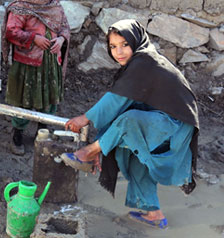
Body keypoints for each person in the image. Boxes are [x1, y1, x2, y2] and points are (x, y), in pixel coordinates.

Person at [62, 19, 199, 230]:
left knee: (129, 121)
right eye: (113, 46)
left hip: (175, 125)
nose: (119, 52)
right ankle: (154, 214)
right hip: (158, 121)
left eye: (125, 44)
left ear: (136, 41)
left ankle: (89, 152)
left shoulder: (144, 61)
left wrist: (85, 118)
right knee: (135, 156)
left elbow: (116, 101)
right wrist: (104, 141)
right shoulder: (138, 65)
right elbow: (122, 104)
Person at [1, 0, 70, 155]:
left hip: (49, 65)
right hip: (26, 66)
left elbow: (64, 27)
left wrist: (61, 39)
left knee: (48, 99)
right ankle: (17, 134)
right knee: (24, 99)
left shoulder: (55, 7)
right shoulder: (20, 8)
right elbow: (11, 32)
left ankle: (43, 133)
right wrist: (33, 39)